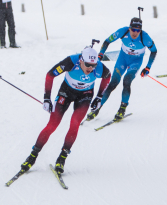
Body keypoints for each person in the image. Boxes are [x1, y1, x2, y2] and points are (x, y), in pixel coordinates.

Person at [19, 45, 111, 174]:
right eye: (88, 64)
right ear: (81, 60)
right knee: (52, 125)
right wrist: (46, 98)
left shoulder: (99, 67)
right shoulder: (70, 62)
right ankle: (32, 156)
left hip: (85, 95)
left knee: (74, 124)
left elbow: (107, 77)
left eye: (93, 65)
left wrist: (99, 96)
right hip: (66, 92)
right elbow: (50, 75)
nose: (91, 68)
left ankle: (62, 158)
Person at [85, 17, 157, 122]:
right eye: (133, 29)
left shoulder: (145, 37)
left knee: (127, 81)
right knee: (113, 84)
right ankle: (97, 108)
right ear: (129, 28)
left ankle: (122, 108)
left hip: (135, 63)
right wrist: (101, 55)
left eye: (138, 30)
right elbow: (107, 41)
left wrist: (148, 67)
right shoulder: (122, 31)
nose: (135, 32)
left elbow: (154, 51)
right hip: (122, 60)